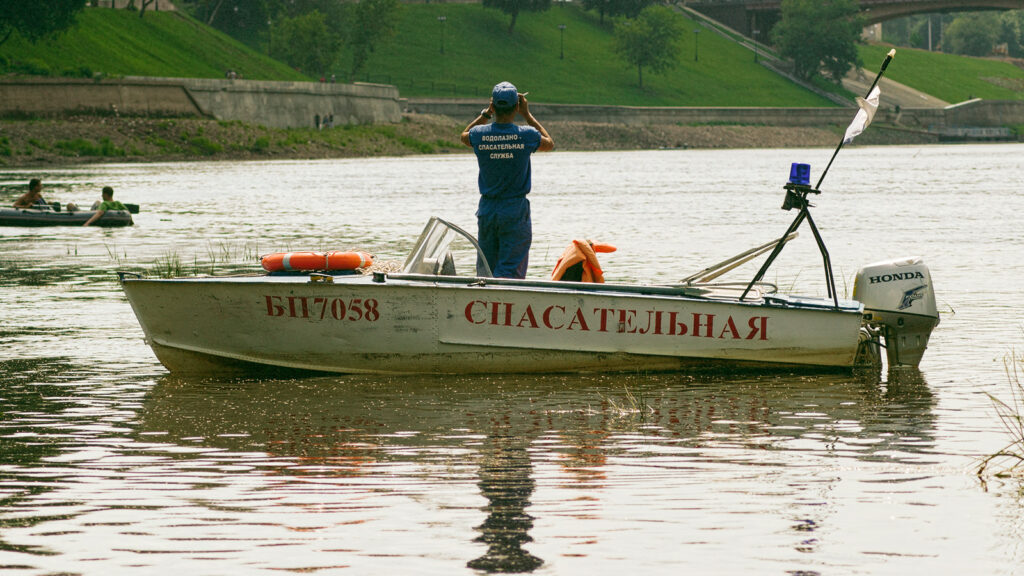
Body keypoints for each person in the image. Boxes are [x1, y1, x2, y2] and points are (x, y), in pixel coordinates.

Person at [461, 81, 554, 279]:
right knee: (510, 270)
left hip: (487, 209)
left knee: (486, 268)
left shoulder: (479, 135)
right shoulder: (526, 135)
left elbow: (463, 136)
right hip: (514, 209)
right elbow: (549, 143)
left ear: (493, 106)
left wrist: (485, 114)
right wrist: (527, 115)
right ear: (516, 107)